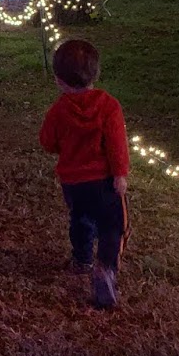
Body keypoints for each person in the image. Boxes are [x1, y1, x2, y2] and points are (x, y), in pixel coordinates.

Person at [38, 39, 129, 310]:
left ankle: (82, 259)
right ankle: (106, 268)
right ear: (95, 73)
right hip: (104, 182)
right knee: (113, 225)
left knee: (80, 219)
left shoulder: (58, 110)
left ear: (58, 80)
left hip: (73, 183)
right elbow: (117, 144)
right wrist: (120, 174)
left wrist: (65, 147)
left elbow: (47, 142)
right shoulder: (108, 106)